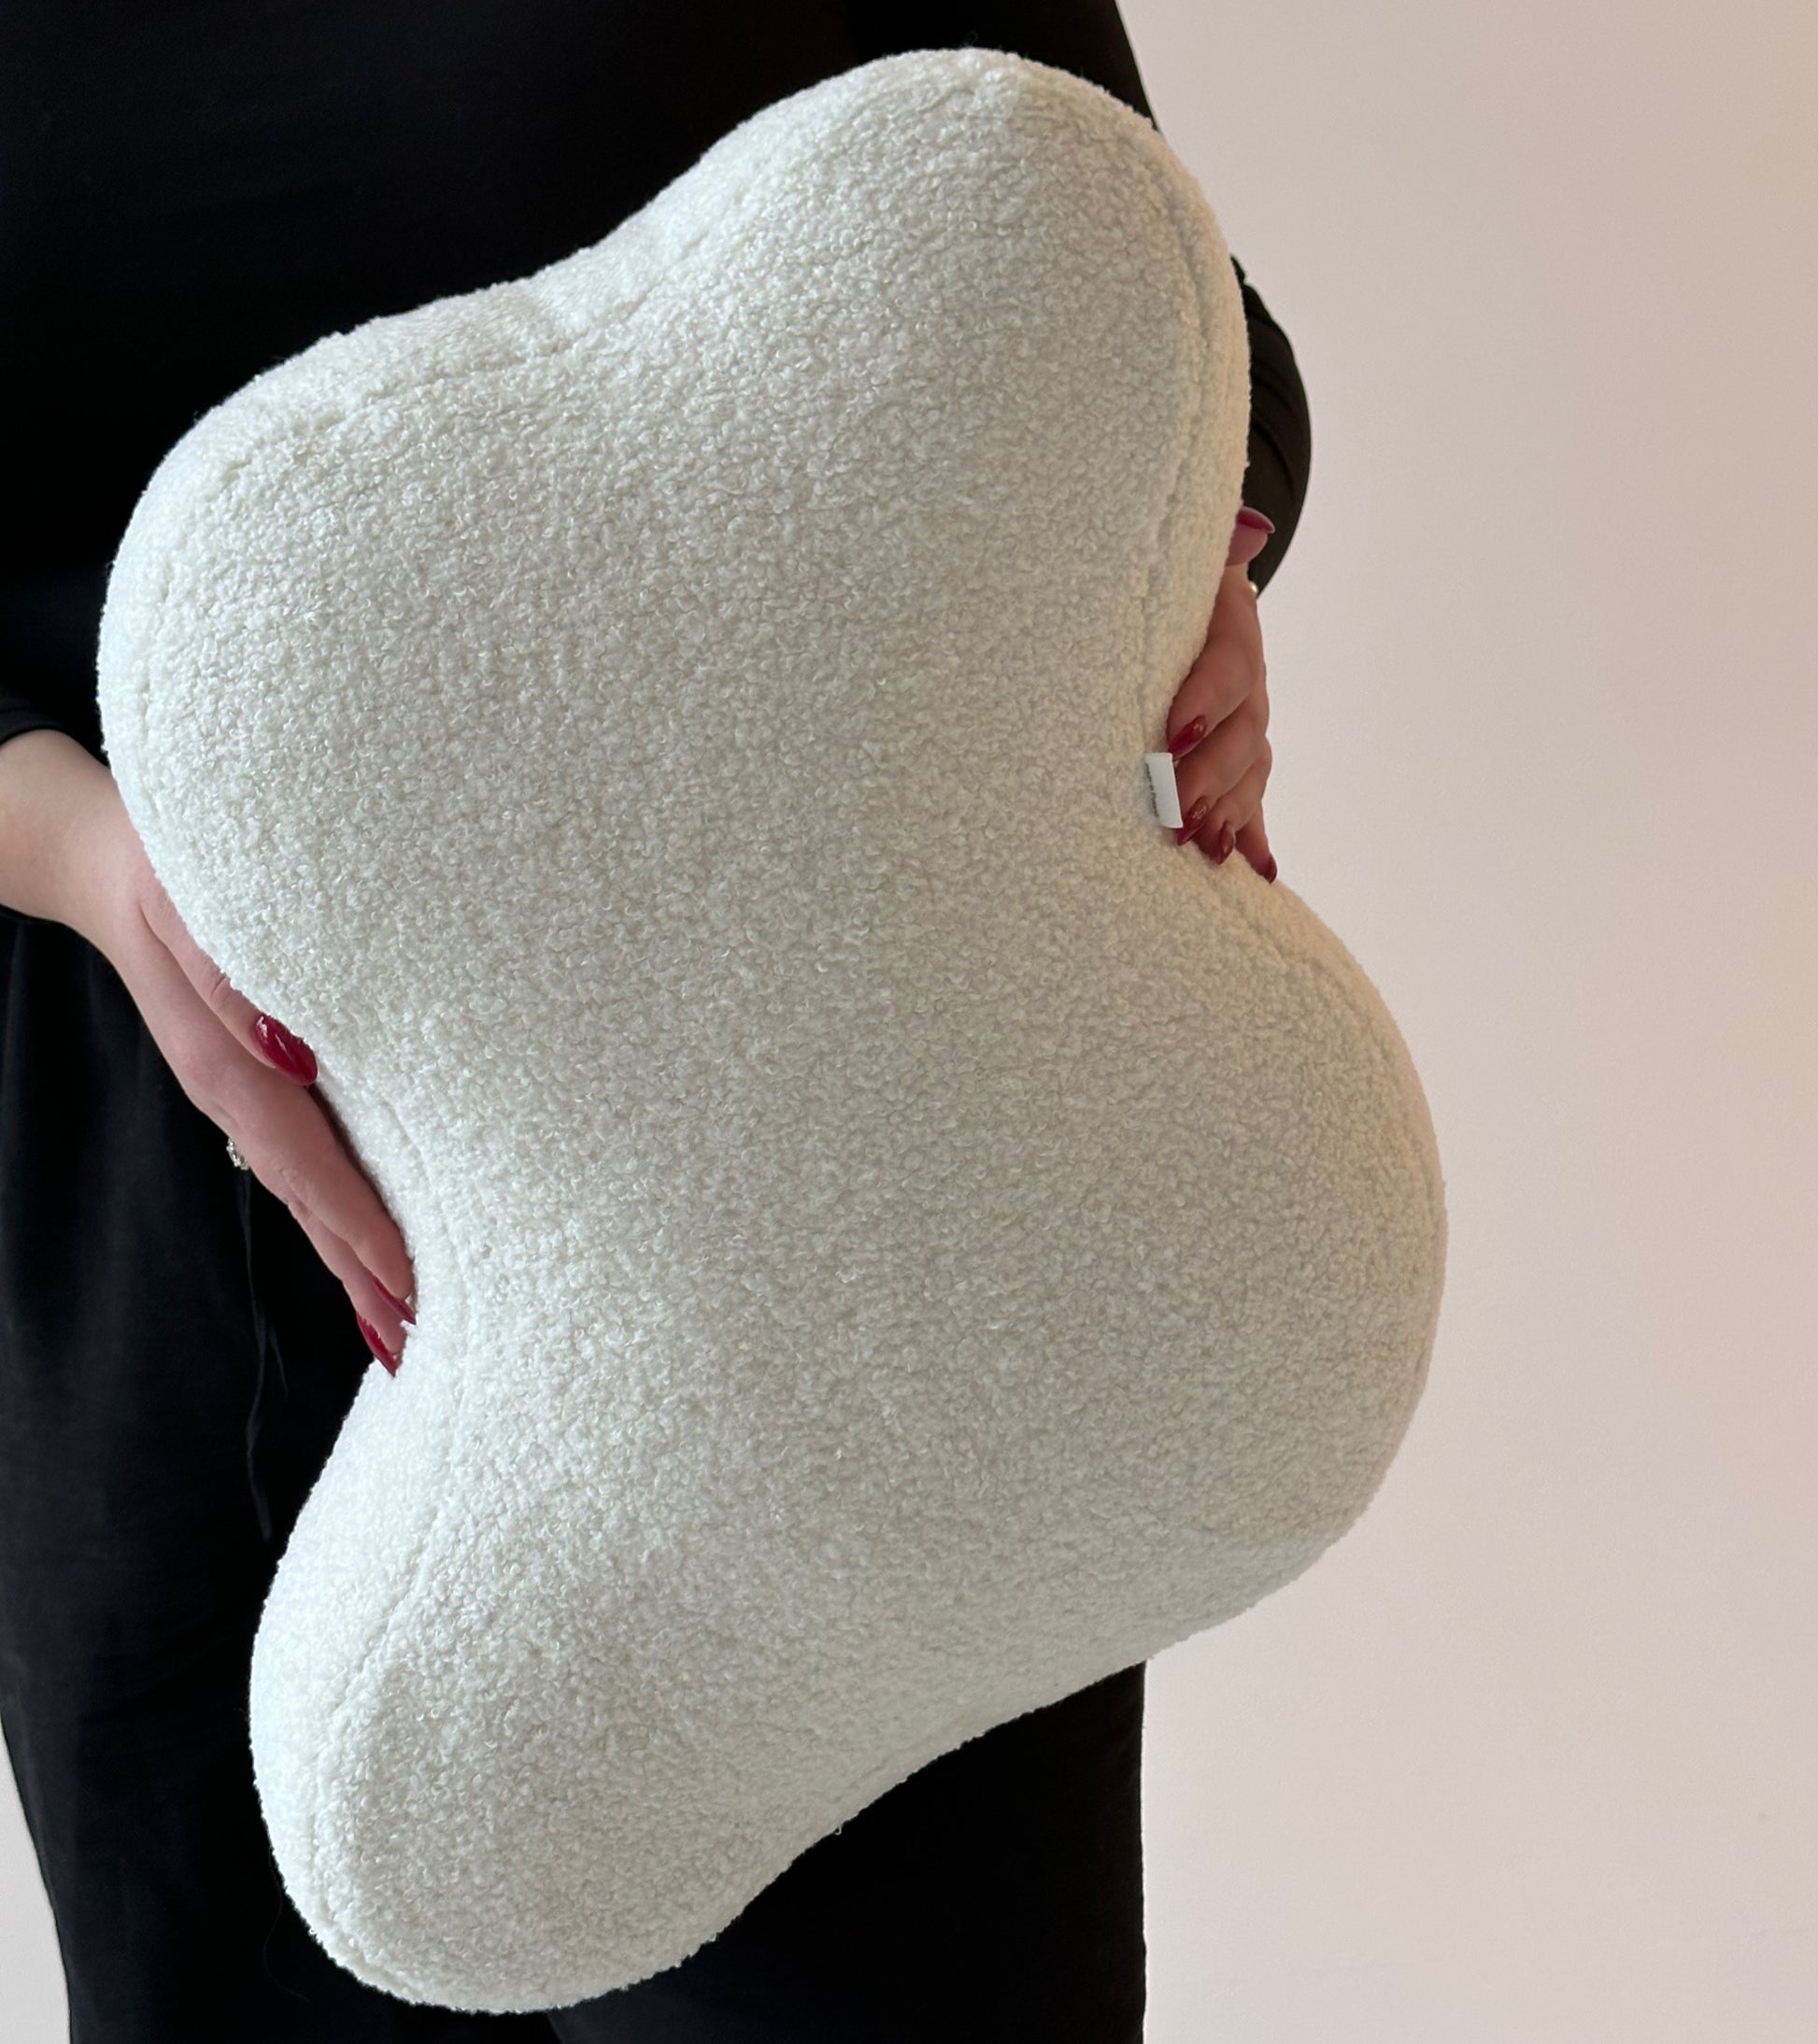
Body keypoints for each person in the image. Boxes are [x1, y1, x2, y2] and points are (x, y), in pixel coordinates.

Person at [0, 4, 1312, 2038]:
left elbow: (1120, 265)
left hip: (842, 1171)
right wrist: (83, 855)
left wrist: (1183, 549)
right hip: (157, 1215)